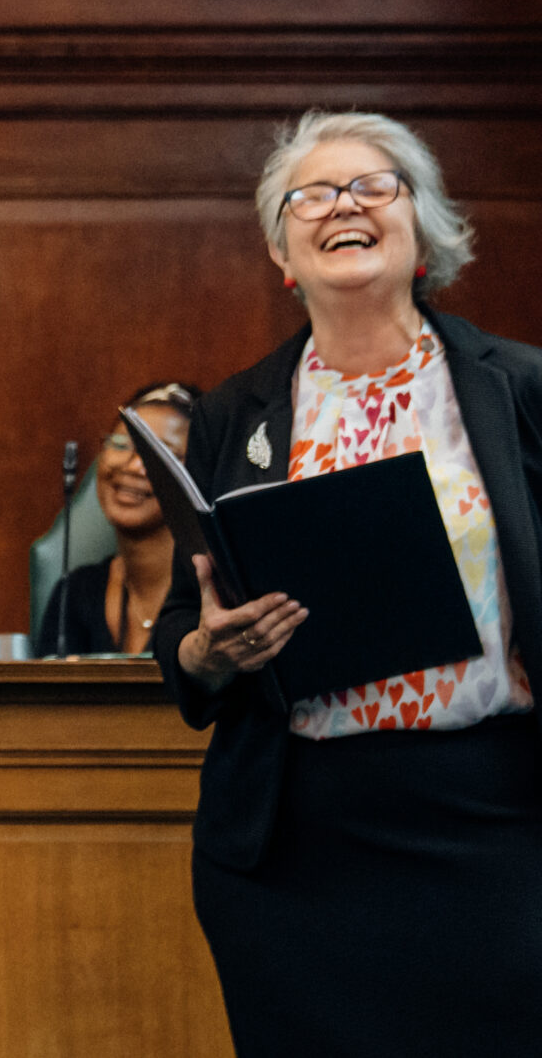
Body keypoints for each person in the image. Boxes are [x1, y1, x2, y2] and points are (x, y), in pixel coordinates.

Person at [152, 110, 542, 1053]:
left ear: (424, 231)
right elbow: (181, 637)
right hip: (295, 851)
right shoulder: (231, 411)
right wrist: (209, 649)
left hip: (494, 824)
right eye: (312, 195)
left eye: (374, 185)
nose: (343, 206)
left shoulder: (520, 388)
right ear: (284, 252)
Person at [37, 381, 201, 656]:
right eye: (121, 444)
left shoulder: (213, 598)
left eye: (160, 454)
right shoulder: (75, 593)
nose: (134, 466)